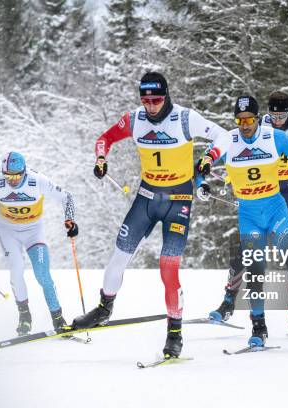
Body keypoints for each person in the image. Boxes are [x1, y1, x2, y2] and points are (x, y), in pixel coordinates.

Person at [71, 72, 229, 359]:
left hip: (179, 200)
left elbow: (224, 135)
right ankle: (104, 308)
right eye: (146, 100)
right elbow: (105, 139)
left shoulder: (184, 118)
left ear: (166, 95)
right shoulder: (135, 119)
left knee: (168, 269)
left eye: (156, 99)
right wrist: (101, 159)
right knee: (118, 257)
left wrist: (209, 157)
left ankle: (175, 333)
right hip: (146, 198)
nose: (151, 105)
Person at [197, 96, 288, 347]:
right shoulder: (228, 140)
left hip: (276, 209)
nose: (244, 125)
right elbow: (202, 164)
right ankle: (258, 326)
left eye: (249, 119)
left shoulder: (272, 136)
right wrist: (202, 183)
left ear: (256, 118)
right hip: (249, 214)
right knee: (255, 269)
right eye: (240, 120)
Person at [0, 152, 77, 336]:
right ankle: (25, 316)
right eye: (8, 176)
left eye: (16, 176)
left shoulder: (37, 180)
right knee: (16, 269)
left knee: (42, 274)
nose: (11, 180)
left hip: (34, 232)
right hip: (8, 231)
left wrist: (69, 220)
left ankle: (58, 318)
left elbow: (66, 197)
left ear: (24, 171)